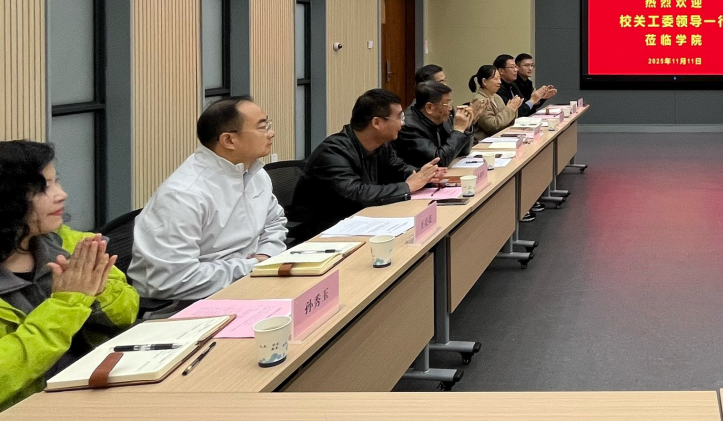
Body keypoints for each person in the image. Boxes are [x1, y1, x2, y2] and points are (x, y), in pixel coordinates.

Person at [0, 140, 138, 410]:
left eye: (56, 182)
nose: (61, 194)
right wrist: (66, 305)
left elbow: (128, 313)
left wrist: (98, 292)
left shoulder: (70, 243)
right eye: (43, 188)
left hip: (96, 385)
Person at [130, 97, 288, 305]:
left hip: (250, 283)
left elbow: (275, 222)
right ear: (228, 140)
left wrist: (266, 256)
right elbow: (171, 280)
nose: (271, 133)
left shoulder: (254, 172)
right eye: (262, 127)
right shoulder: (184, 195)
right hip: (188, 304)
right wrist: (252, 267)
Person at [288, 89, 446, 242]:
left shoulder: (381, 145)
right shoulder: (332, 152)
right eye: (399, 117)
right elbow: (357, 194)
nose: (403, 123)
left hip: (362, 223)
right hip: (323, 235)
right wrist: (408, 186)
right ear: (377, 122)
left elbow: (398, 168)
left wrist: (423, 175)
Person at [392, 81, 475, 169]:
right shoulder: (410, 127)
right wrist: (458, 130)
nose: (450, 108)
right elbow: (439, 161)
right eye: (446, 103)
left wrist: (465, 128)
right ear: (429, 107)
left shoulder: (441, 118)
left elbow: (462, 152)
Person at [494, 54, 555, 118]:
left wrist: (541, 97)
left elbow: (525, 105)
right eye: (512, 67)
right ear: (501, 71)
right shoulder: (498, 88)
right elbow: (516, 112)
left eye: (515, 67)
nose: (516, 70)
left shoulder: (513, 85)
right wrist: (533, 100)